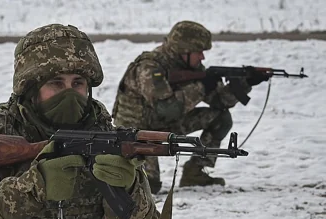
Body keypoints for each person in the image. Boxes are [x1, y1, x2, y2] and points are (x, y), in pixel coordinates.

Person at [0, 24, 159, 219]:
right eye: (56, 83)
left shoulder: (106, 136)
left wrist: (128, 191)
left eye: (77, 83)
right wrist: (33, 185)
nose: (69, 94)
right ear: (31, 89)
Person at [112, 21, 268, 194]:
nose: (202, 57)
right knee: (150, 187)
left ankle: (195, 173)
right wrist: (201, 87)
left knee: (220, 118)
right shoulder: (150, 67)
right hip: (136, 132)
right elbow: (167, 109)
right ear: (183, 50)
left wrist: (245, 83)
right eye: (199, 52)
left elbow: (219, 101)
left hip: (165, 124)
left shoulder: (190, 66)